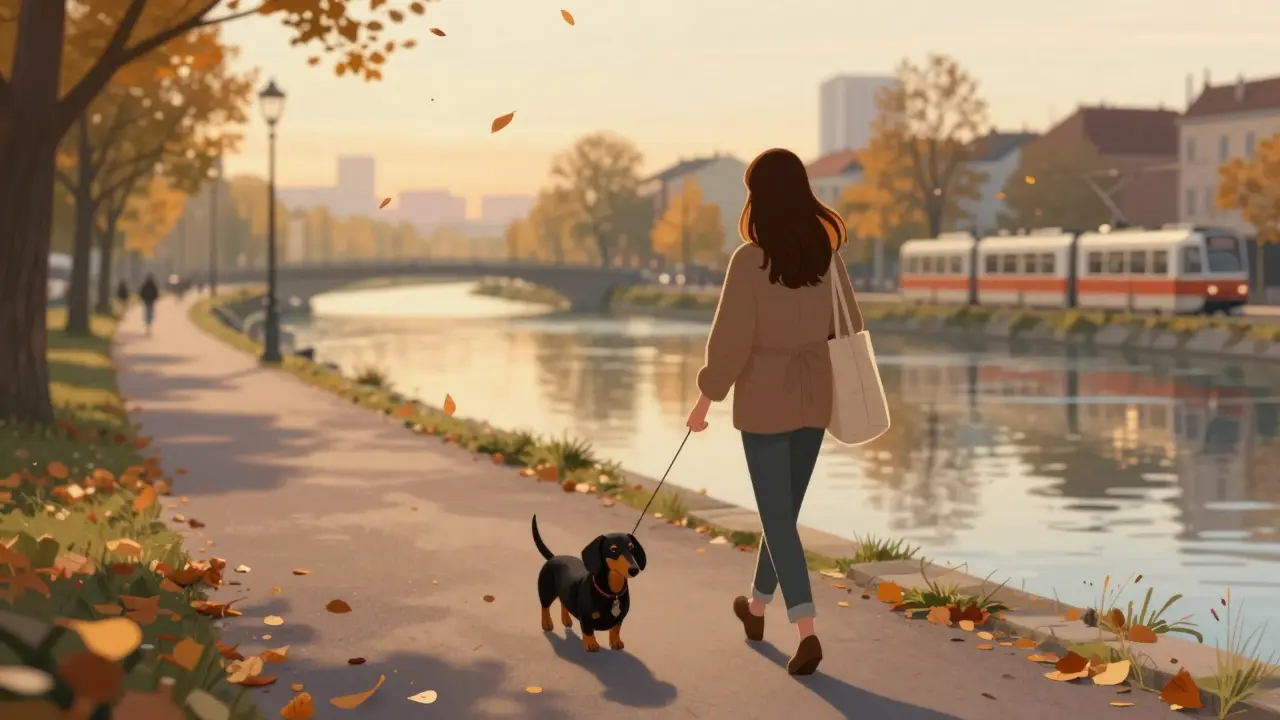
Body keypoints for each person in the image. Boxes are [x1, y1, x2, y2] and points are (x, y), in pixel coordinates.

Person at [685, 148, 864, 677]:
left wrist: (704, 399)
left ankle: (806, 630)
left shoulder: (749, 260)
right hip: (815, 395)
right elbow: (850, 325)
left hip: (765, 399)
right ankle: (757, 608)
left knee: (777, 517)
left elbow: (730, 341)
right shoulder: (827, 260)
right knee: (779, 514)